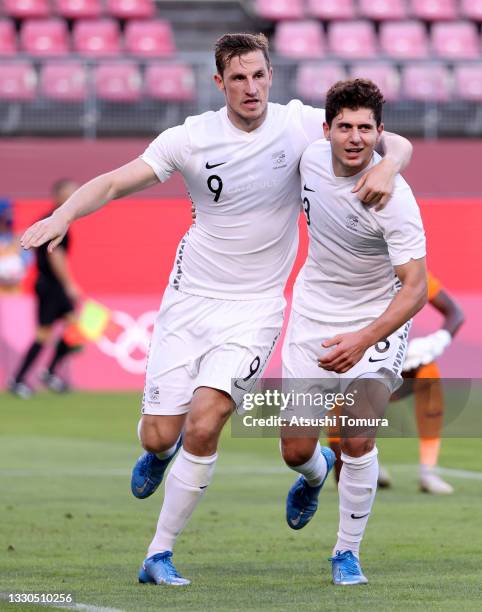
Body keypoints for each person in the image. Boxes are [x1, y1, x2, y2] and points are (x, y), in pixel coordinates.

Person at [20, 34, 412, 586]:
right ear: (218, 83)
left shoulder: (299, 124)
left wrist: (389, 165)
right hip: (188, 301)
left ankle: (158, 554)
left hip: (255, 311)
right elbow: (113, 181)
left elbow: (390, 140)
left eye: (259, 76)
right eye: (238, 79)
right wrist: (65, 215)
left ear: (271, 75)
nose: (250, 88)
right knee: (158, 435)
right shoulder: (190, 138)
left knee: (207, 423)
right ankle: (169, 453)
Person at [280, 79, 427, 585]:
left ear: (378, 132)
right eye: (345, 126)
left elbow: (416, 290)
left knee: (358, 437)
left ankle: (347, 552)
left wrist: (363, 339)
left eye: (366, 128)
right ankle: (315, 471)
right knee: (296, 450)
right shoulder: (309, 154)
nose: (355, 137)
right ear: (326, 130)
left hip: (378, 322)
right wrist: (397, 153)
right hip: (313, 315)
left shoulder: (395, 199)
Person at [328, 271, 465, 494]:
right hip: (352, 365)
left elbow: (455, 313)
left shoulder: (408, 272)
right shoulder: (350, 274)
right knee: (343, 473)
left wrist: (437, 341)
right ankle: (366, 456)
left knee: (428, 372)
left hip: (394, 364)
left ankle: (428, 470)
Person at [9, 179, 80, 399]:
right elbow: (55, 255)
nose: (75, 198)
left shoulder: (55, 221)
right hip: (50, 286)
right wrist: (69, 285)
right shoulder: (54, 222)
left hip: (53, 285)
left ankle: (49, 372)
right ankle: (19, 379)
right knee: (44, 334)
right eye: (71, 194)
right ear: (58, 196)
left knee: (77, 330)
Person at [0, 198, 30, 294]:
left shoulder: (17, 237)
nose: (11, 215)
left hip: (14, 290)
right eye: (7, 212)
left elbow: (26, 261)